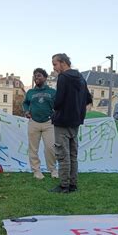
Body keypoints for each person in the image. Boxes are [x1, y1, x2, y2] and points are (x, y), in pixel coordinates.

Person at [50, 53, 92, 193]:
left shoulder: (63, 77)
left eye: (55, 64)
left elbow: (59, 101)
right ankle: (73, 184)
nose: (54, 68)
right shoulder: (81, 78)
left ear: (63, 62)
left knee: (63, 154)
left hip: (62, 121)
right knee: (73, 155)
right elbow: (88, 98)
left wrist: (54, 106)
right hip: (76, 121)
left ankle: (64, 185)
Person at [23, 68, 58, 180]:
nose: (36, 78)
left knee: (50, 147)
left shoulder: (52, 92)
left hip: (49, 123)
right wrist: (27, 111)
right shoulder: (30, 92)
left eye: (39, 76)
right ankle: (36, 171)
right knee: (33, 148)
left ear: (45, 78)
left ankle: (52, 169)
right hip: (34, 122)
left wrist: (55, 114)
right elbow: (25, 104)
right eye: (35, 76)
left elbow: (58, 105)